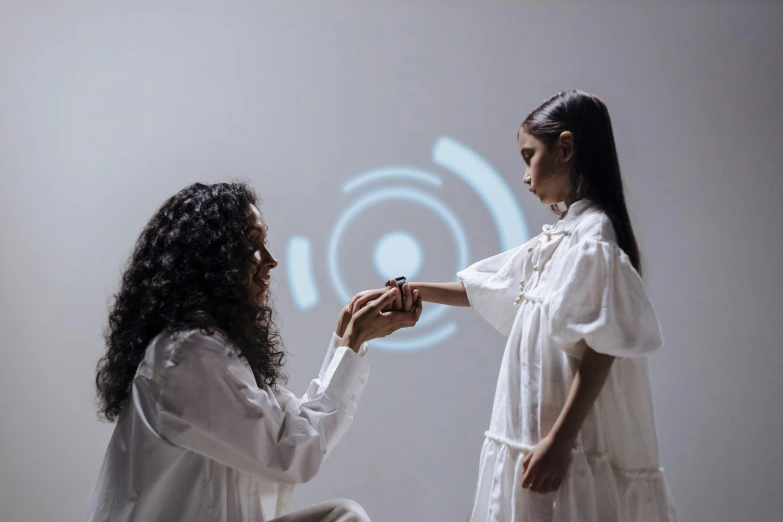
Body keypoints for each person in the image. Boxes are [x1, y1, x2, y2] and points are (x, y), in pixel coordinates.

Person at [350, 91, 677, 521]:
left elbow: (601, 351)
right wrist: (412, 290)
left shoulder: (592, 238)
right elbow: (489, 285)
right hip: (532, 435)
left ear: (565, 147)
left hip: (558, 442)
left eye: (530, 156)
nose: (525, 175)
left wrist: (559, 445)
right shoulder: (565, 235)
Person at [85, 182, 422, 522]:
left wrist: (346, 337)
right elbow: (293, 451)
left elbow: (293, 427)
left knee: (345, 516)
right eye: (252, 244)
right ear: (212, 259)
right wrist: (350, 343)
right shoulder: (188, 356)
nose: (271, 261)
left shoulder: (211, 348)